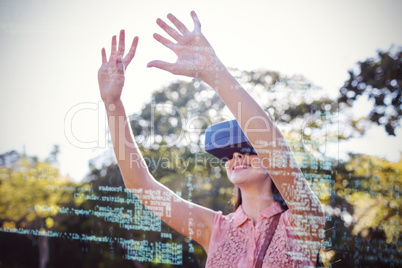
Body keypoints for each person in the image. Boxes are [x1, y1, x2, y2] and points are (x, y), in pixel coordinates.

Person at [97, 11, 325, 267]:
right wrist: (112, 103)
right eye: (228, 154)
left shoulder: (304, 219)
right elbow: (140, 184)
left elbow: (272, 144)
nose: (236, 157)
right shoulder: (214, 229)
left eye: (247, 149)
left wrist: (212, 71)